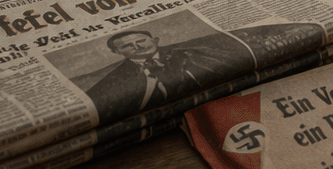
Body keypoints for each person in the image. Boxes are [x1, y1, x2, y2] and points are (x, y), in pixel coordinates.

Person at [84, 28, 250, 122]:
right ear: (117, 52)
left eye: (141, 41)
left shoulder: (193, 54)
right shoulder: (114, 80)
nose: (139, 46)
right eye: (128, 46)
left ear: (155, 40)